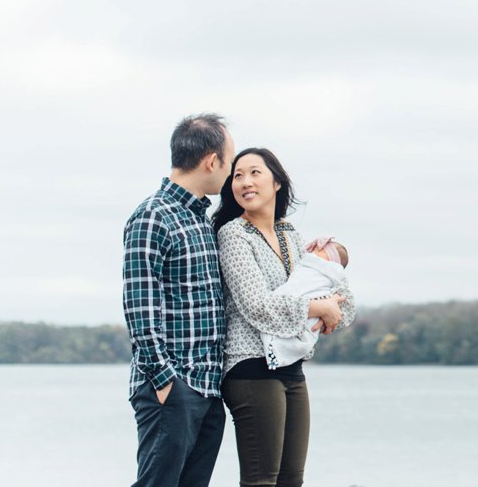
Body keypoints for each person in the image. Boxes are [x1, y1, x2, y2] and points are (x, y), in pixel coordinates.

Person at [213, 148, 354, 487]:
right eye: (237, 175)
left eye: (254, 173)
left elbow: (341, 298)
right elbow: (257, 306)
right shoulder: (233, 235)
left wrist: (331, 305)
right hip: (249, 368)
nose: (245, 181)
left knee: (292, 480)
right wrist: (316, 309)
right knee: (262, 480)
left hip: (291, 368)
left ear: (277, 181)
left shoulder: (291, 235)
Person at [123, 113, 236, 487]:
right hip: (173, 389)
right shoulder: (153, 216)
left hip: (207, 389)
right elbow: (140, 308)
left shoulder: (202, 220)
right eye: (230, 160)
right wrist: (166, 383)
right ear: (211, 160)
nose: (232, 170)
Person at [260, 238, 350, 369]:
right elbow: (261, 306)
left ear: (331, 259)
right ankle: (280, 352)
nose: (313, 251)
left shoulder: (325, 270)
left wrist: (330, 306)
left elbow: (346, 303)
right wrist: (323, 307)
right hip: (295, 309)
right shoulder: (310, 265)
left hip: (309, 312)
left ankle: (281, 351)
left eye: (321, 249)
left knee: (308, 329)